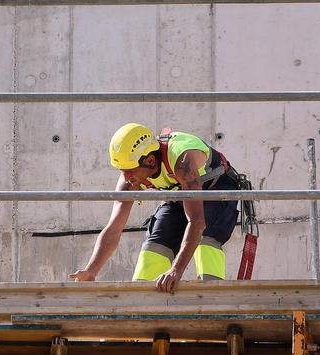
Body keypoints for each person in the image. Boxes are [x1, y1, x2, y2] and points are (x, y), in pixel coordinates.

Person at [70, 123, 245, 293]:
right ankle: (140, 307)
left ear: (150, 160)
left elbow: (197, 221)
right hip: (178, 194)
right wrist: (91, 270)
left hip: (215, 188)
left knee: (205, 242)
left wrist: (176, 270)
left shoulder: (182, 160)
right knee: (154, 248)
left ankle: (211, 298)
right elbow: (114, 227)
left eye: (130, 171)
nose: (126, 177)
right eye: (122, 170)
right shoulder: (130, 178)